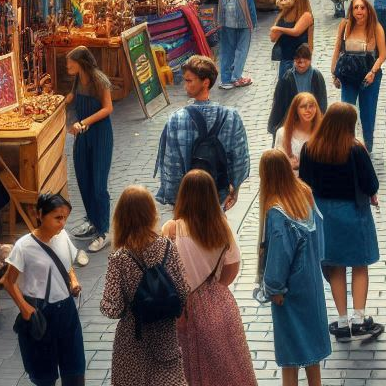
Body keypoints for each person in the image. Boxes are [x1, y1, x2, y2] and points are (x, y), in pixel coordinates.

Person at [298, 103, 384, 341]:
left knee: (335, 267)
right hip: (353, 214)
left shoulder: (309, 149)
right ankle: (359, 317)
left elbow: (303, 184)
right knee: (359, 265)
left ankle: (343, 318)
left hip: (324, 215)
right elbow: (371, 185)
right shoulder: (355, 150)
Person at [162, 171, 256, 386]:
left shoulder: (172, 229)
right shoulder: (221, 227)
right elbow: (233, 266)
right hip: (219, 305)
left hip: (182, 309)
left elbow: (162, 271)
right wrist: (213, 288)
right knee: (229, 371)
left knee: (188, 370)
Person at [100, 186, 188, 386]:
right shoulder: (168, 247)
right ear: (151, 213)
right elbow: (183, 291)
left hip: (133, 342)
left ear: (121, 217)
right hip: (165, 339)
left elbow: (112, 308)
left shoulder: (119, 258)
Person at [260, 149, 332, 382]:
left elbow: (279, 254)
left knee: (289, 355)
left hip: (290, 288)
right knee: (312, 352)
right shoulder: (304, 193)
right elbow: (319, 236)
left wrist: (274, 288)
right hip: (311, 281)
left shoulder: (276, 211)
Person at [3, 192, 85, 386]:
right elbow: (7, 281)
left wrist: (73, 280)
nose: (62, 223)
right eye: (57, 218)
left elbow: (68, 265)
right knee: (44, 377)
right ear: (40, 214)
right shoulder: (24, 246)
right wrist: (24, 308)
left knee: (74, 372)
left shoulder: (63, 236)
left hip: (66, 311)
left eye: (65, 218)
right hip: (40, 312)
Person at [154, 55, 250, 209]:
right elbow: (239, 157)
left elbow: (172, 166)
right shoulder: (230, 116)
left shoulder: (177, 119)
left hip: (188, 200)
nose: (185, 85)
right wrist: (234, 190)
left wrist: (176, 201)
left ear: (205, 82)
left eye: (189, 80)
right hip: (218, 194)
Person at [64, 45, 113, 256]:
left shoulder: (99, 80)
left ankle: (104, 231)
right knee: (84, 181)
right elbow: (73, 106)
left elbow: (108, 108)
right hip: (82, 136)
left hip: (100, 134)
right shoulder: (77, 81)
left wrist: (84, 122)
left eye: (70, 63)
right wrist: (72, 118)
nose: (67, 66)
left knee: (99, 184)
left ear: (80, 63)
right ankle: (93, 220)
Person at [330, 0, 386, 152]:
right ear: (351, 10)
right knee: (346, 112)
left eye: (362, 8)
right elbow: (337, 49)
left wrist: (373, 72)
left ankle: (367, 147)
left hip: (369, 76)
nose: (359, 11)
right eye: (356, 8)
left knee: (367, 113)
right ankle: (346, 146)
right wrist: (334, 73)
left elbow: (382, 54)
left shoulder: (376, 27)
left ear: (367, 10)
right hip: (348, 75)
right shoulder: (345, 26)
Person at [216, 0, 259, 89]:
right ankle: (236, 77)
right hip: (242, 12)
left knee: (226, 46)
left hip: (225, 11)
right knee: (242, 45)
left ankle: (225, 80)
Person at [268, 44, 328, 139]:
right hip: (292, 124)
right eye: (298, 60)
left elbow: (322, 103)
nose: (302, 64)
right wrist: (274, 127)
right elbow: (279, 105)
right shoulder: (287, 79)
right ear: (294, 60)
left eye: (305, 59)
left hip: (312, 124)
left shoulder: (317, 76)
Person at [270, 0, 314, 82]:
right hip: (285, 59)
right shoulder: (284, 14)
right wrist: (275, 31)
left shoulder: (306, 15)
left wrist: (278, 29)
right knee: (284, 90)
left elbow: (296, 31)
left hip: (299, 60)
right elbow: (273, 38)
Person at [275, 91, 323, 168]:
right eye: (303, 106)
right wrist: (288, 163)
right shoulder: (282, 133)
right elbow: (277, 163)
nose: (308, 110)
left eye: (311, 106)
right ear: (295, 110)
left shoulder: (323, 133)